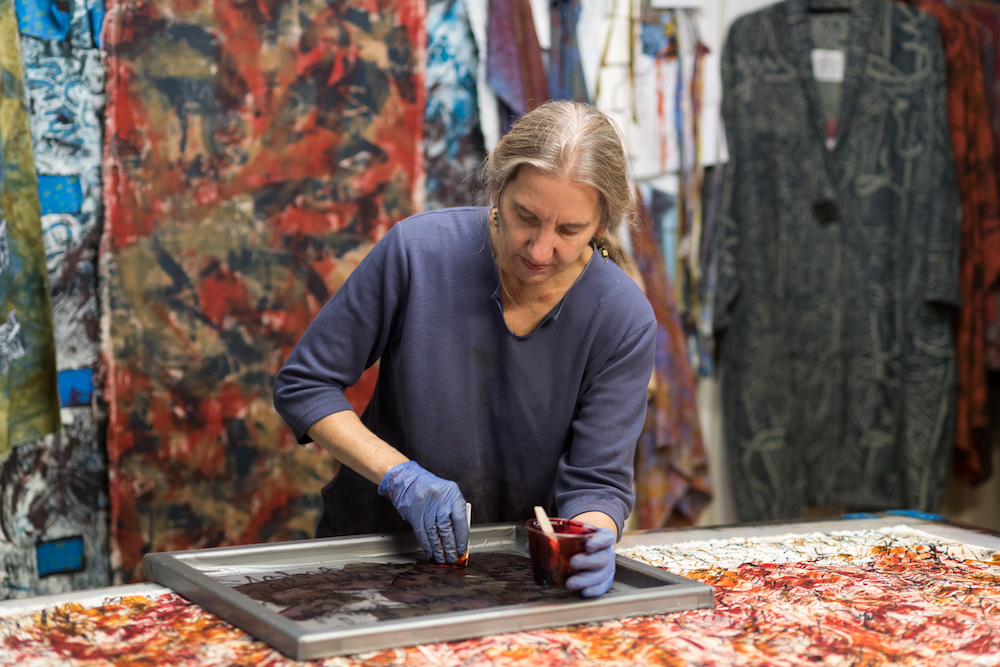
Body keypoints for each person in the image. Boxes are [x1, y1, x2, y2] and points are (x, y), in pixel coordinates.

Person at [273, 100, 656, 597]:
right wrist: (400, 477)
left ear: (603, 223)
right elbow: (305, 384)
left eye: (568, 231)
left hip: (514, 571)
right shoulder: (418, 252)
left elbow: (597, 481)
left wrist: (591, 538)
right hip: (371, 550)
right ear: (498, 188)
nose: (539, 251)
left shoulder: (622, 316)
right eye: (525, 216)